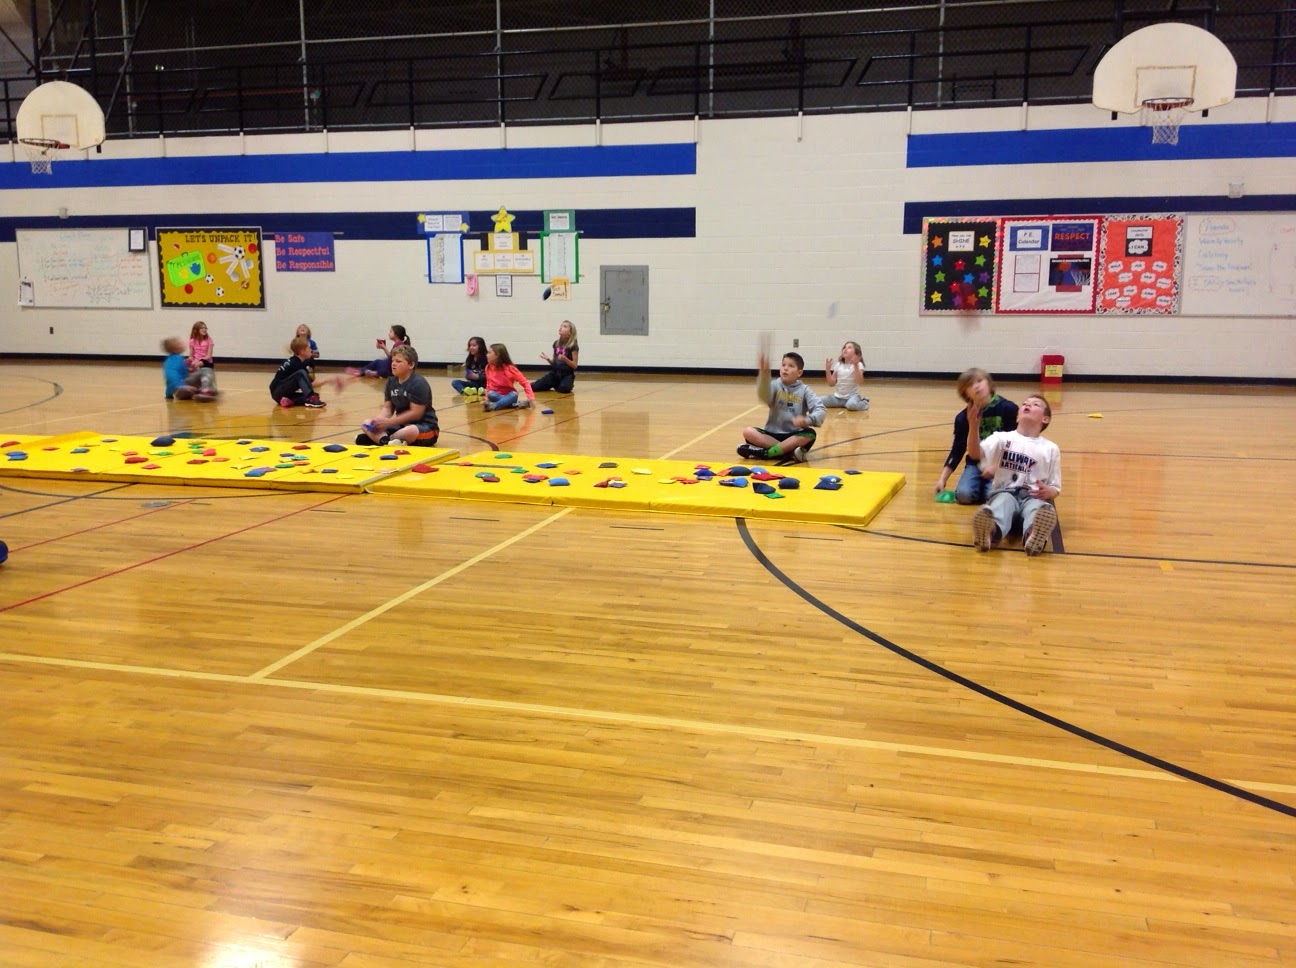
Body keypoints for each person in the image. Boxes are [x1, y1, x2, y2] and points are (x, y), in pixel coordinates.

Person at [970, 394, 1060, 556]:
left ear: (1045, 419)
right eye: (1025, 403)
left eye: (1035, 404)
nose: (1028, 405)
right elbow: (975, 454)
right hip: (1005, 492)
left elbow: (1055, 487)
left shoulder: (1051, 448)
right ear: (1017, 417)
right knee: (1001, 504)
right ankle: (988, 534)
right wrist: (973, 427)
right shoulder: (1001, 438)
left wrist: (1048, 491)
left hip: (1033, 496)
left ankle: (1034, 537)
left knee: (1039, 509)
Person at [935, 367, 1018, 504]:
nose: (976, 386)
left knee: (992, 496)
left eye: (979, 381)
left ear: (989, 383)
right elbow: (958, 449)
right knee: (963, 495)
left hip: (1002, 463)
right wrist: (943, 478)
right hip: (975, 463)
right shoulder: (963, 418)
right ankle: (983, 489)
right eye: (970, 385)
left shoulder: (1008, 408)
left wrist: (997, 467)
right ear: (965, 393)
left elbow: (1017, 443)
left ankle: (988, 490)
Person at [737, 350, 825, 463]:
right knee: (748, 432)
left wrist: (807, 420)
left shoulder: (805, 390)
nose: (785, 368)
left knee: (810, 434)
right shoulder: (775, 385)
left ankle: (766, 453)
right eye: (783, 365)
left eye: (791, 366)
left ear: (799, 373)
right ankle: (788, 452)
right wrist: (764, 375)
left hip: (794, 435)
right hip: (772, 435)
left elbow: (820, 409)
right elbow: (764, 396)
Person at [355, 345, 440, 446]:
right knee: (366, 423)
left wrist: (389, 422)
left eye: (398, 361)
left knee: (409, 431)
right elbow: (387, 409)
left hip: (424, 427)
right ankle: (387, 441)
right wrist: (378, 421)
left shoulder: (418, 383)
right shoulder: (391, 382)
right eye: (392, 361)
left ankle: (381, 440)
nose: (393, 364)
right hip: (401, 425)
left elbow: (416, 413)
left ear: (411, 365)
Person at [270, 336, 326, 408]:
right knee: (301, 374)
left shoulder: (302, 362)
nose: (311, 350)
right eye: (309, 348)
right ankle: (311, 399)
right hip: (277, 391)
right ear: (302, 351)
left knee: (316, 395)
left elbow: (309, 384)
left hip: (283, 393)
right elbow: (311, 385)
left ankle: (289, 401)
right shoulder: (294, 363)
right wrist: (329, 379)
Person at [482, 343, 534, 411]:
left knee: (514, 395)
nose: (487, 355)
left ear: (497, 355)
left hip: (509, 395)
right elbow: (488, 384)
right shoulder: (488, 368)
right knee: (490, 393)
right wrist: (486, 398)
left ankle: (494, 406)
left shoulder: (510, 369)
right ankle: (514, 404)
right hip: (495, 395)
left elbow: (525, 383)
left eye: (489, 353)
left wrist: (530, 398)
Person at [532, 319, 579, 393]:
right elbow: (554, 364)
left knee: (564, 389)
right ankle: (553, 382)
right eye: (561, 326)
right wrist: (548, 359)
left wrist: (565, 359)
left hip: (566, 375)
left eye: (564, 326)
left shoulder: (573, 346)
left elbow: (574, 366)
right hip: (554, 373)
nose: (561, 327)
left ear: (570, 332)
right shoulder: (556, 344)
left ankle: (564, 383)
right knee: (533, 387)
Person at [162, 337, 216, 401]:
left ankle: (194, 394)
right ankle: (206, 391)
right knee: (206, 370)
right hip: (181, 386)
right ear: (175, 349)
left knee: (197, 371)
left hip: (179, 389)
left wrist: (189, 369)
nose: (183, 344)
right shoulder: (175, 359)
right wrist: (181, 386)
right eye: (180, 343)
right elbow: (171, 374)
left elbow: (175, 376)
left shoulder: (172, 359)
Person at [822, 340, 869, 411]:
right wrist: (827, 370)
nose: (845, 349)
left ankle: (864, 402)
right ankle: (844, 404)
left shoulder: (859, 365)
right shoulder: (839, 364)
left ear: (856, 353)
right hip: (837, 397)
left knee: (852, 405)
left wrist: (855, 365)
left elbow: (859, 381)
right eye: (844, 347)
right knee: (818, 401)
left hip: (852, 397)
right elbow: (831, 383)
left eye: (849, 347)